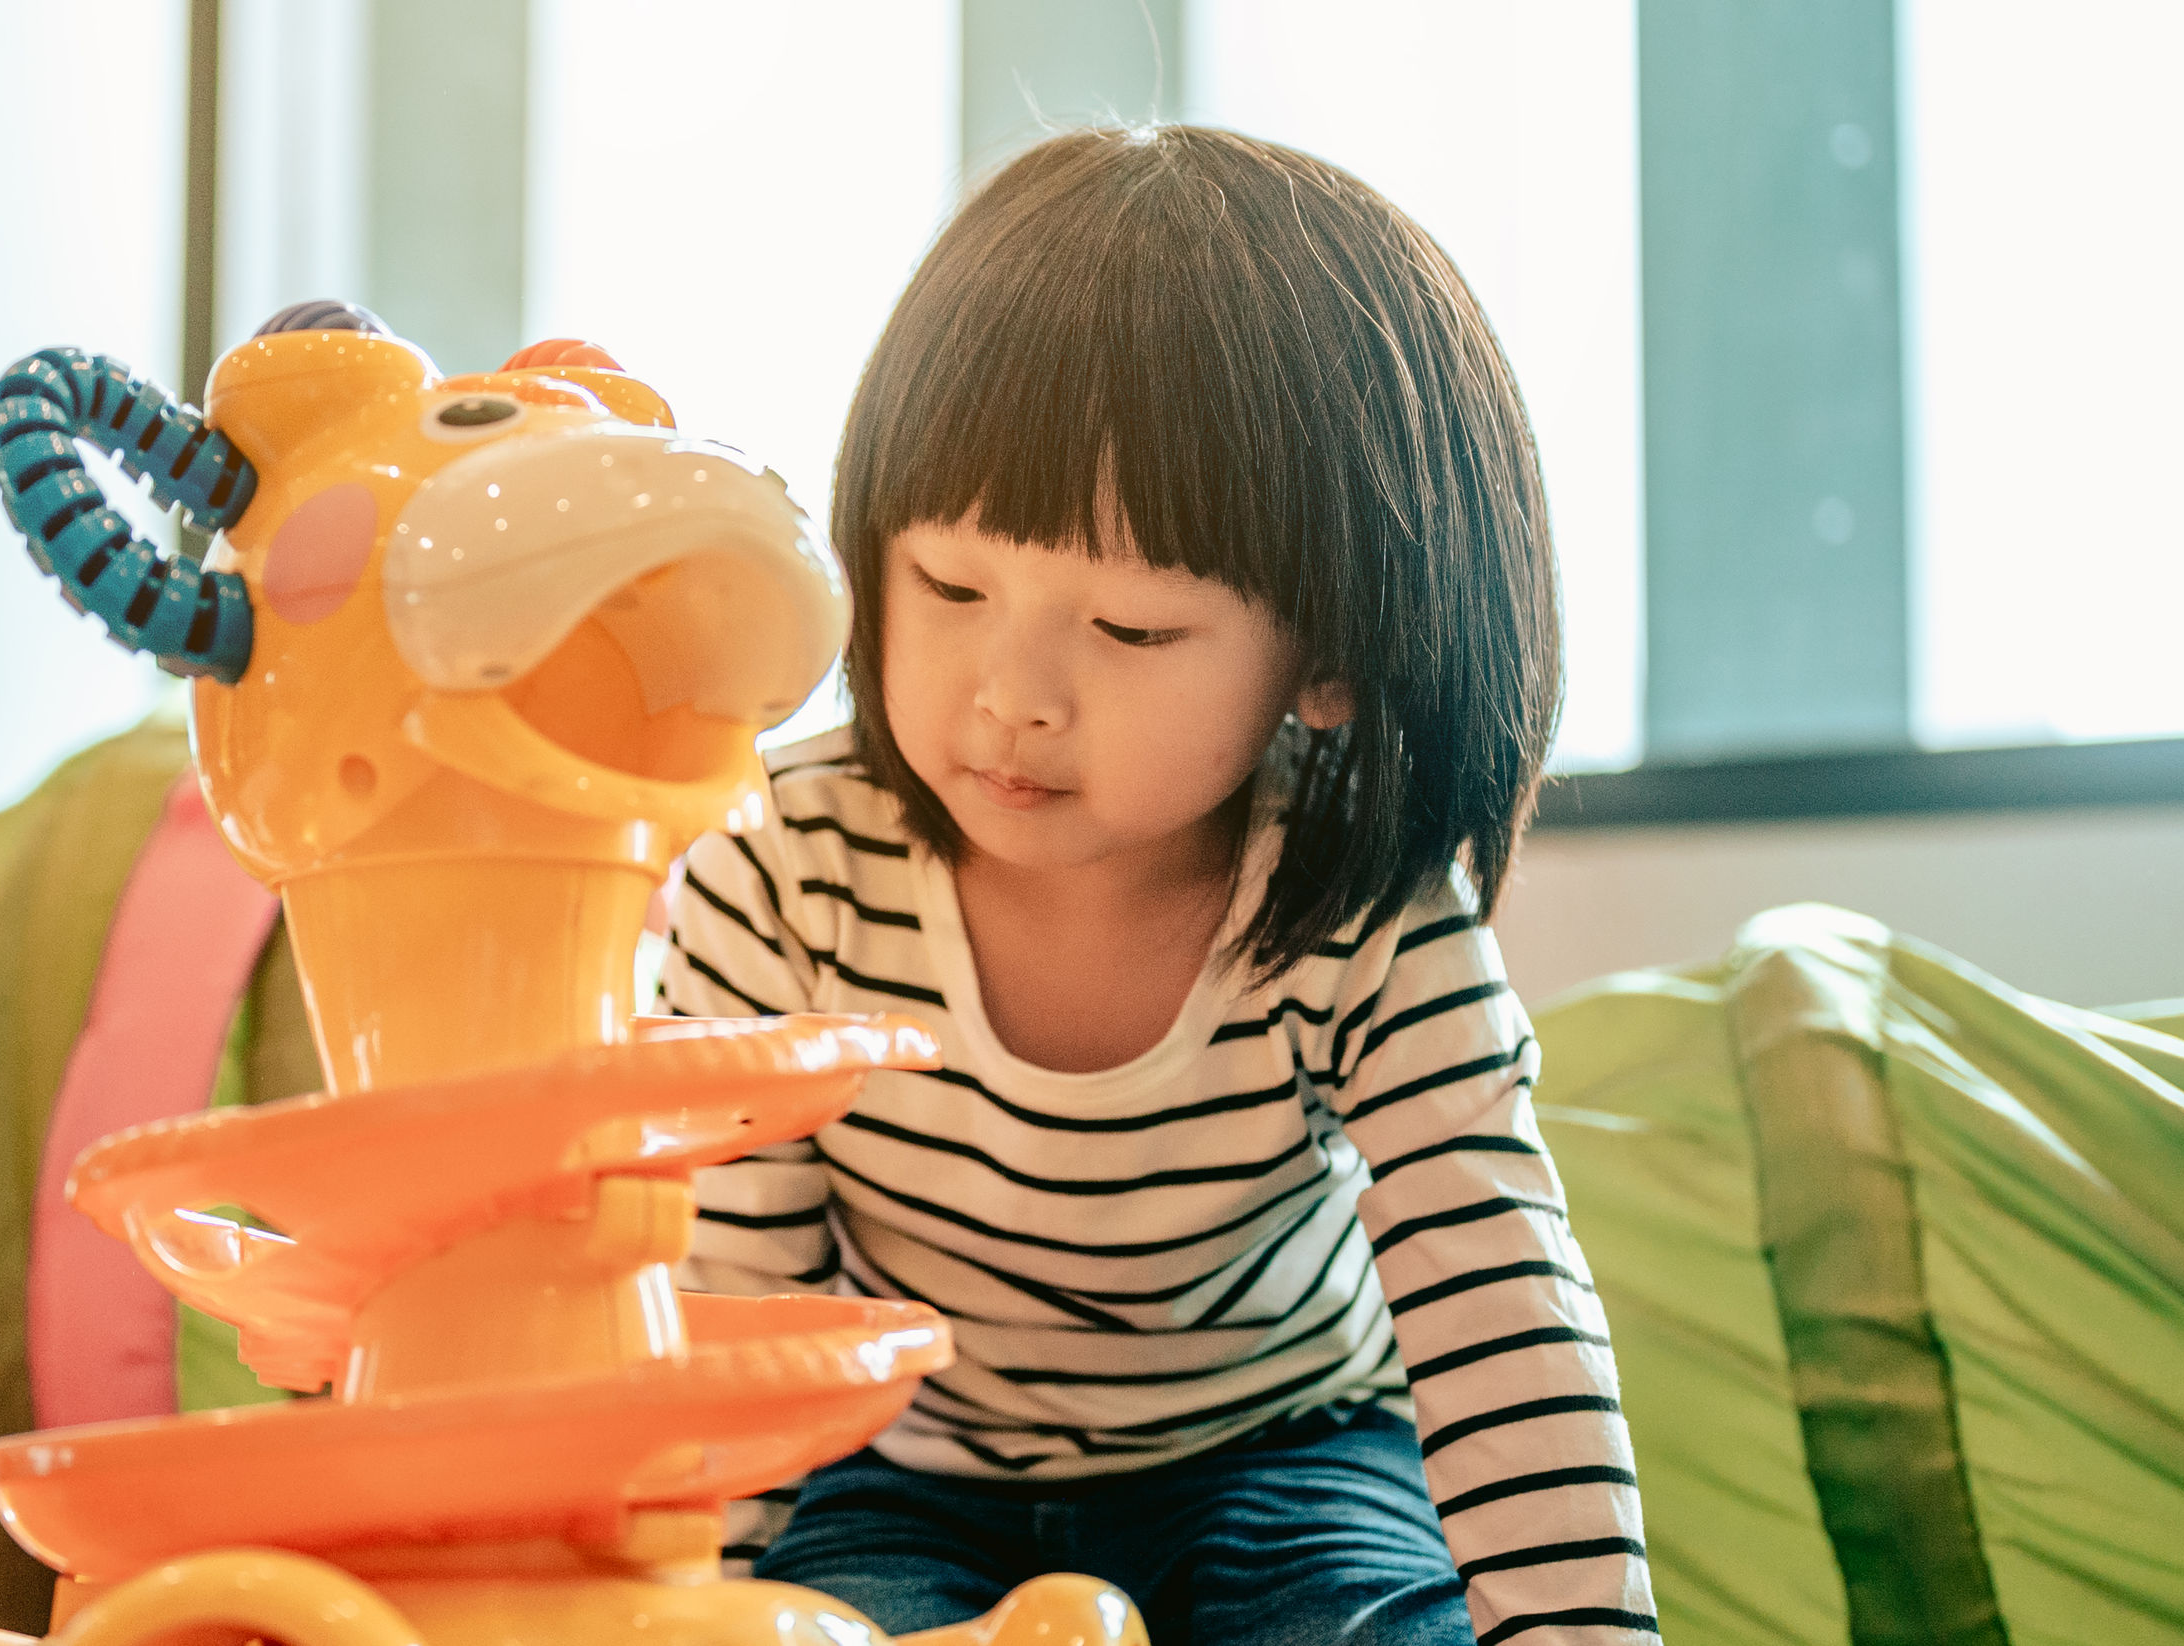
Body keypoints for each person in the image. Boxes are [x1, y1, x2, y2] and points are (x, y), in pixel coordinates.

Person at [660, 128, 1654, 1646]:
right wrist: (694, 1613)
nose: (1013, 695)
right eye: (951, 587)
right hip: (902, 1478)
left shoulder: (1357, 902)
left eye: (1129, 631)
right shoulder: (780, 865)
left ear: (1322, 660)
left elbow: (1494, 1281)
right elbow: (726, 1303)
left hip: (1293, 1452)